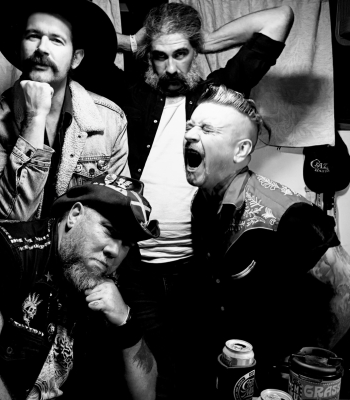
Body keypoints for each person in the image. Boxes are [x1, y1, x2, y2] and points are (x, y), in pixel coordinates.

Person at [116, 3, 294, 399]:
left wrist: (205, 40)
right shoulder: (130, 94)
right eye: (159, 56)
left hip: (194, 267)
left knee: (196, 368)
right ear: (148, 57)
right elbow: (76, 44)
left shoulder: (218, 94)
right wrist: (131, 41)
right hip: (137, 269)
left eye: (181, 53)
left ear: (194, 52)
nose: (171, 68)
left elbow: (279, 18)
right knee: (147, 370)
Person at [184, 84, 350, 392]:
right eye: (190, 126)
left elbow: (346, 288)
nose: (190, 135)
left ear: (241, 150)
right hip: (231, 365)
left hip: (276, 377)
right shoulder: (201, 202)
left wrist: (305, 365)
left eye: (206, 129)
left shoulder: (287, 213)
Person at [0, 174, 160, 400]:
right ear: (75, 215)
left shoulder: (103, 281)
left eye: (126, 244)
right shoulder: (3, 251)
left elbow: (146, 394)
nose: (115, 251)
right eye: (109, 231)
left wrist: (125, 322)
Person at [0, 0, 129, 221]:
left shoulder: (111, 119)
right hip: (21, 244)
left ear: (76, 58)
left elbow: (116, 211)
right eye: (33, 36)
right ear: (18, 49)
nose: (42, 48)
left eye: (56, 40)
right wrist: (34, 119)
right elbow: (13, 214)